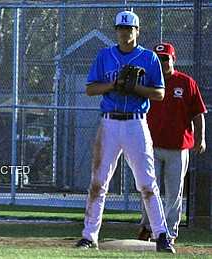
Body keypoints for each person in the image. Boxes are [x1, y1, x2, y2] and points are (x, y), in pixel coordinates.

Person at [74, 11, 175, 253]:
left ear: (137, 32)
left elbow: (159, 93)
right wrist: (114, 85)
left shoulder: (149, 58)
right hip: (109, 123)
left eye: (129, 29)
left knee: (147, 183)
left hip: (136, 123)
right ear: (116, 31)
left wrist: (136, 88)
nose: (125, 33)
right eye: (121, 28)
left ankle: (162, 235)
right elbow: (90, 89)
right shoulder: (104, 55)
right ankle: (89, 236)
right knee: (99, 182)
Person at [137, 42, 207, 244]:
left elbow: (198, 113)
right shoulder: (147, 82)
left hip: (178, 147)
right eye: (158, 59)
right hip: (151, 146)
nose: (162, 62)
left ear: (173, 59)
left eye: (165, 58)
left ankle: (169, 232)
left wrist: (200, 138)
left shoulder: (186, 82)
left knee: (174, 193)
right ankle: (148, 228)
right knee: (149, 189)